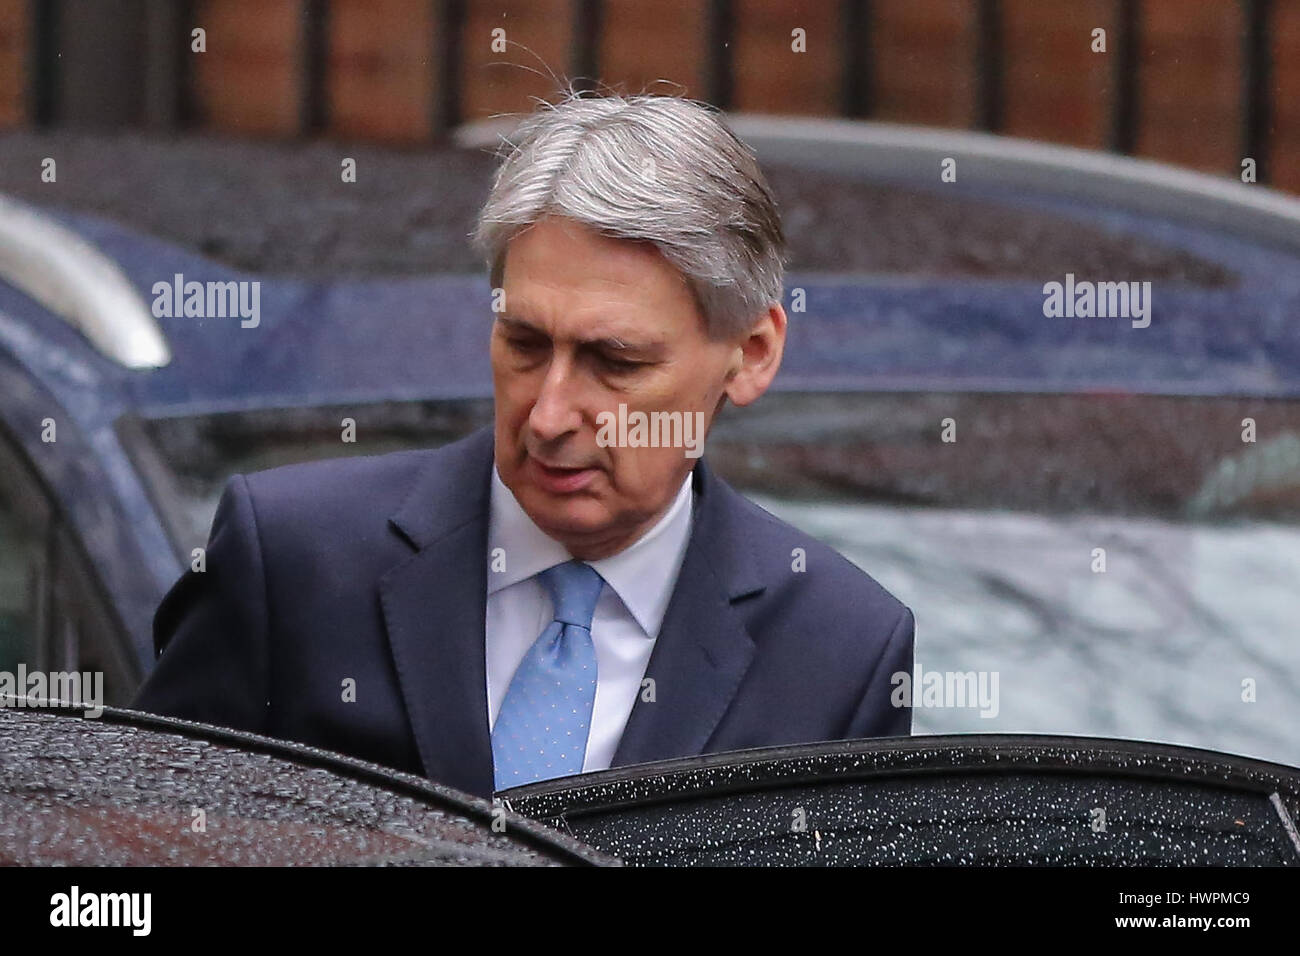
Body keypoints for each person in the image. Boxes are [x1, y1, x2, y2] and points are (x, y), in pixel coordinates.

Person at [132, 90, 914, 800]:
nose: (548, 416)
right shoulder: (294, 558)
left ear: (751, 353)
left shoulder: (839, 647)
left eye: (615, 362)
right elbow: (140, 846)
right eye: (525, 343)